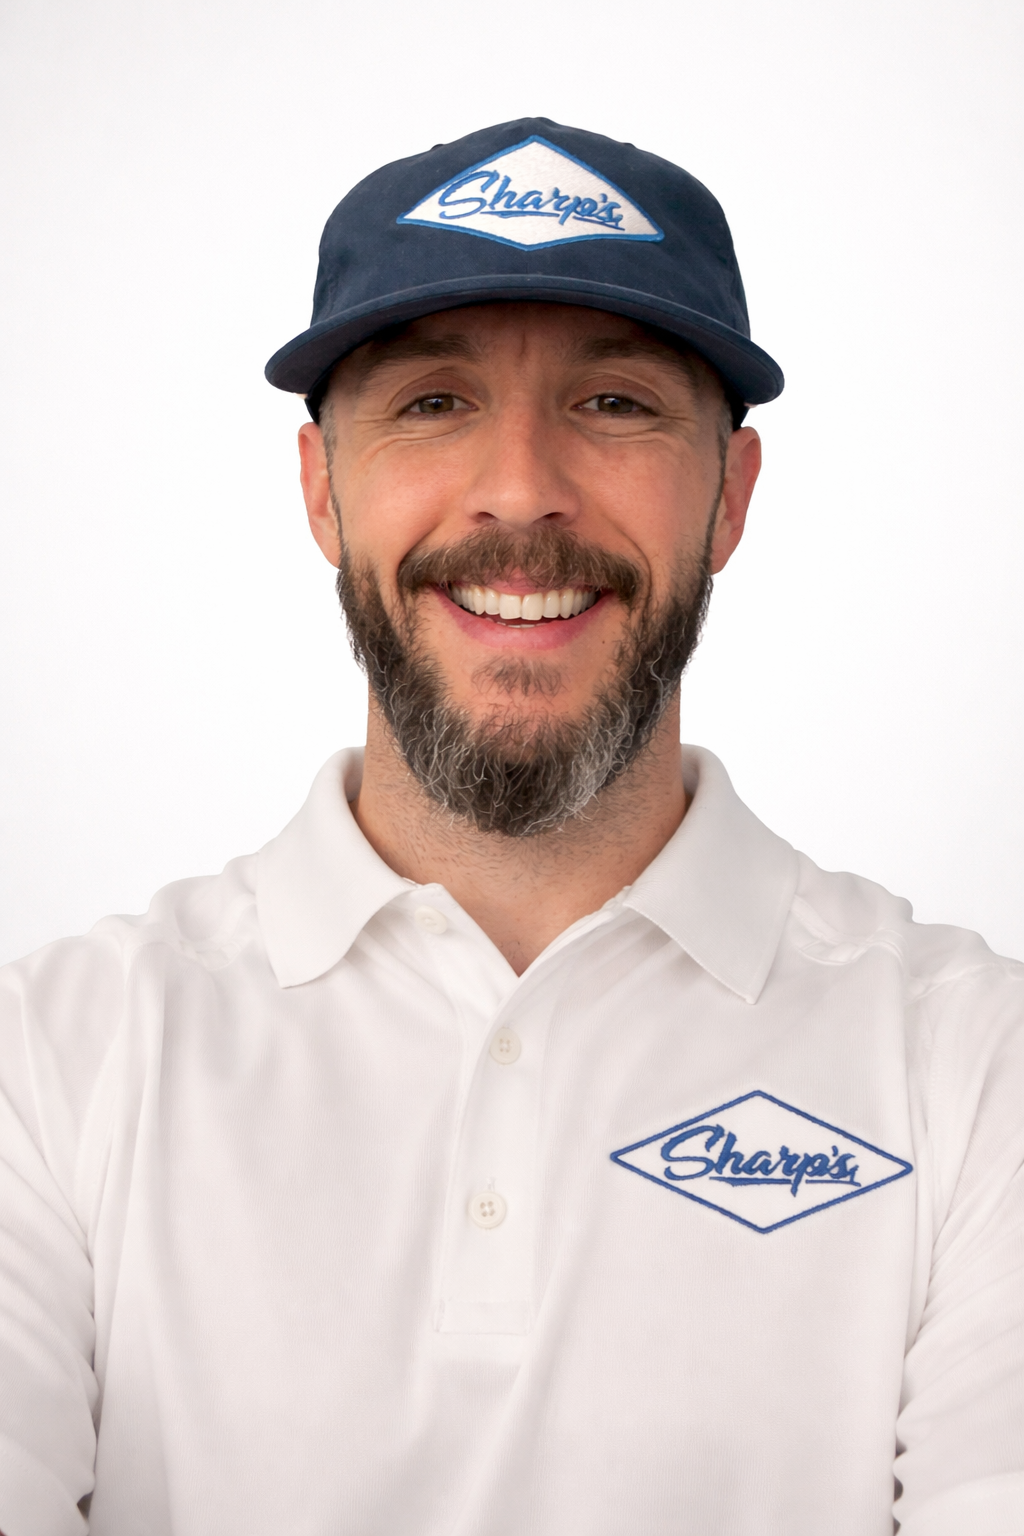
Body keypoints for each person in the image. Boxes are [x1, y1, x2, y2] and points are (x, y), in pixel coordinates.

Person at [0, 117, 1021, 1536]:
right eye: (433, 403)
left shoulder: (976, 1068)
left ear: (729, 496)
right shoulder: (51, 1063)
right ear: (321, 490)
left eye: (614, 404)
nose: (523, 486)